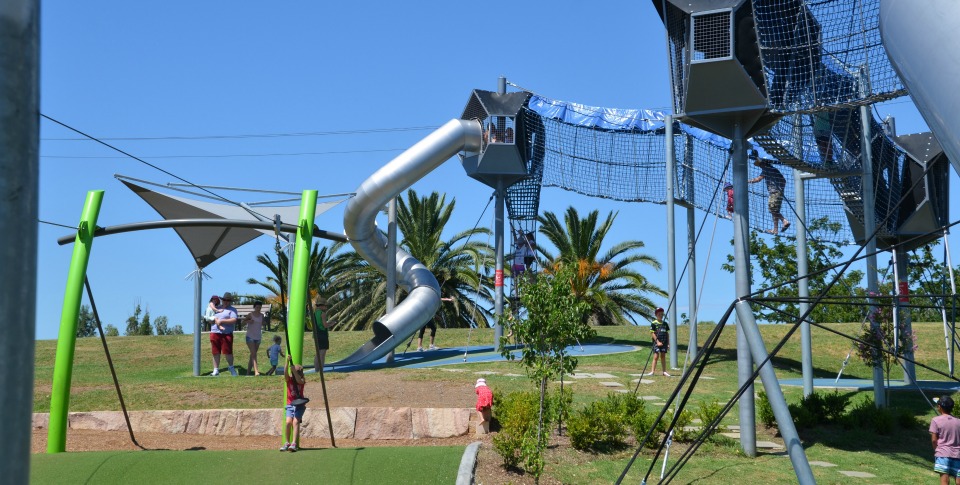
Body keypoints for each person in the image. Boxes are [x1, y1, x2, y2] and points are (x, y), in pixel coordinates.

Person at [748, 157, 791, 234]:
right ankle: (775, 229)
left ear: (763, 163)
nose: (760, 166)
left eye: (760, 164)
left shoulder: (766, 169)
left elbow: (758, 179)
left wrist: (748, 181)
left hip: (774, 192)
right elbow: (784, 180)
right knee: (775, 210)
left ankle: (784, 221)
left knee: (772, 210)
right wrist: (780, 188)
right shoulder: (774, 169)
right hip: (780, 192)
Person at [931, 395, 960, 484]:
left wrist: (936, 449)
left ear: (939, 407)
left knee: (944, 481)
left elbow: (934, 440)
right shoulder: (958, 421)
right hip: (958, 454)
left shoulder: (935, 420)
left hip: (943, 454)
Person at [281, 359, 307, 452]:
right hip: (290, 405)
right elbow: (285, 374)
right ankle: (287, 442)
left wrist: (294, 371)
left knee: (295, 422)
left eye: (296, 372)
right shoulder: (289, 380)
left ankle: (294, 443)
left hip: (300, 405)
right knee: (288, 422)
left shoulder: (302, 380)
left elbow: (299, 380)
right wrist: (287, 362)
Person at [211, 292, 239, 376]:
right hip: (215, 332)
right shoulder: (216, 309)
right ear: (222, 300)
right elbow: (210, 316)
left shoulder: (232, 310)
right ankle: (216, 370)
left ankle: (231, 368)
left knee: (228, 352)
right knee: (215, 352)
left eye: (228, 300)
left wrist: (222, 321)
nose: (226, 302)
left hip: (226, 333)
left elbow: (234, 320)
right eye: (225, 300)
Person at [646, 307, 670, 377]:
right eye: (659, 314)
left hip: (664, 342)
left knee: (663, 356)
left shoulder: (665, 324)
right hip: (656, 342)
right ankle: (652, 371)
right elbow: (652, 333)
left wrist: (668, 343)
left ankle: (664, 371)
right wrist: (657, 342)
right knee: (656, 356)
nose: (661, 315)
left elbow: (667, 333)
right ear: (656, 314)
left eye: (662, 314)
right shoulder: (654, 323)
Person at [242, 302, 264, 376]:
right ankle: (256, 371)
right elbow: (242, 322)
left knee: (252, 355)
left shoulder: (262, 315)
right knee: (254, 354)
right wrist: (248, 321)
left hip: (258, 337)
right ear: (254, 307)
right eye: (257, 307)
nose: (258, 309)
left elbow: (263, 323)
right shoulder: (250, 314)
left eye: (260, 307)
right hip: (250, 337)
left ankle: (248, 372)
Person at [312, 297, 334, 370]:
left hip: (316, 335)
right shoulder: (323, 314)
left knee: (317, 353)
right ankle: (321, 370)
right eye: (325, 306)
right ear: (321, 305)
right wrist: (331, 324)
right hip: (322, 334)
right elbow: (324, 325)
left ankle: (316, 370)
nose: (326, 307)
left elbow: (318, 324)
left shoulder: (314, 313)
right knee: (322, 353)